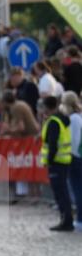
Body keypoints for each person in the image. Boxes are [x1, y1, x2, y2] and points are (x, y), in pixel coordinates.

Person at [40, 94, 73, 231]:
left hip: (56, 162)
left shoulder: (53, 122)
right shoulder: (61, 119)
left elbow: (52, 144)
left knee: (60, 192)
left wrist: (49, 160)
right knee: (63, 191)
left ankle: (65, 221)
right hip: (64, 160)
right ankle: (66, 219)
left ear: (47, 107)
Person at [61, 91, 82, 231]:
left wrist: (70, 155)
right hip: (77, 156)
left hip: (75, 157)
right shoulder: (78, 117)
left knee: (77, 189)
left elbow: (74, 140)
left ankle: (80, 219)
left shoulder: (74, 119)